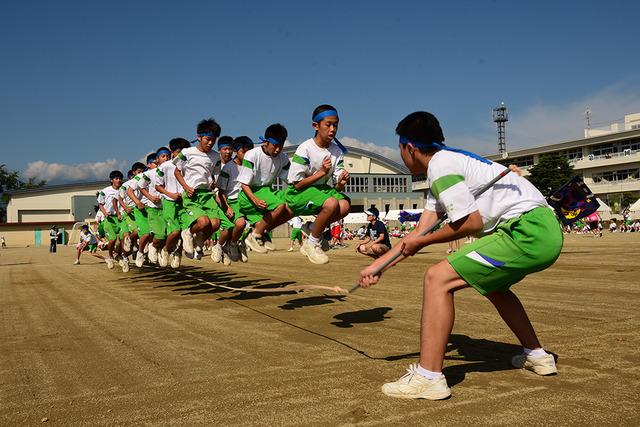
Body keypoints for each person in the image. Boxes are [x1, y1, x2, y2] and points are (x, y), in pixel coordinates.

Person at [358, 111, 563, 400]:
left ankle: (429, 376)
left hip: (526, 231)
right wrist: (380, 264)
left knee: (437, 278)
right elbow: (419, 232)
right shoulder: (445, 164)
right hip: (543, 230)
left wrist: (421, 242)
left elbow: (471, 223)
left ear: (409, 148)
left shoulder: (441, 166)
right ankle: (537, 355)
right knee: (494, 286)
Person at [286, 104, 351, 264]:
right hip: (300, 191)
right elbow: (296, 184)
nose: (332, 129)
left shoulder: (337, 151)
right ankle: (312, 244)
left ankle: (312, 228)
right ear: (315, 125)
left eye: (335, 125)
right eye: (328, 124)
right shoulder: (305, 148)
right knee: (331, 203)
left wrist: (341, 182)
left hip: (321, 190)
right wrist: (321, 173)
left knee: (344, 206)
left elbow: (337, 186)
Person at [238, 124, 293, 254]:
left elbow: (291, 180)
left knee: (292, 207)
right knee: (279, 205)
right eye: (275, 145)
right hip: (250, 193)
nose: (278, 150)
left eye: (281, 146)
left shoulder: (283, 158)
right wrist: (255, 200)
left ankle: (262, 231)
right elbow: (244, 184)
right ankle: (254, 235)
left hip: (267, 191)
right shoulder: (252, 155)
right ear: (266, 142)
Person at [174, 118, 222, 260]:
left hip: (207, 194)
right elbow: (176, 172)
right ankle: (187, 232)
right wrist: (186, 187)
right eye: (207, 139)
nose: (210, 143)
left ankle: (197, 240)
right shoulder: (187, 153)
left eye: (213, 140)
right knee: (203, 222)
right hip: (192, 194)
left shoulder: (215, 156)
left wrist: (213, 183)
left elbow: (213, 173)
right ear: (199, 137)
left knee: (215, 224)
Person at [217, 136, 254, 263]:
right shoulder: (227, 168)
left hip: (245, 200)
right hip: (231, 202)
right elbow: (220, 191)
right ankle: (224, 246)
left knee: (248, 225)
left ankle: (238, 244)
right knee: (236, 226)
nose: (247, 155)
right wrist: (226, 207)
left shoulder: (250, 166)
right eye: (244, 152)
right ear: (236, 151)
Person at [155, 137, 191, 269]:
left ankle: (178, 253)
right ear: (173, 152)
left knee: (186, 230)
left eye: (184, 151)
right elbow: (158, 186)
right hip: (169, 202)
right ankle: (166, 250)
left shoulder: (189, 165)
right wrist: (171, 194)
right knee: (174, 232)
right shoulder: (165, 166)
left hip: (184, 201)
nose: (182, 154)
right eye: (179, 151)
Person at [139, 147, 172, 265]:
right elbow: (141, 187)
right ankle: (153, 246)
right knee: (160, 234)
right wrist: (150, 197)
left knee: (171, 233)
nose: (166, 158)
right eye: (163, 156)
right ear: (157, 159)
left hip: (168, 207)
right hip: (154, 208)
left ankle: (163, 250)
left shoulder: (173, 171)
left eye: (168, 156)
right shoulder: (149, 174)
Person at [127, 153, 157, 267]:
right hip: (141, 209)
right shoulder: (141, 177)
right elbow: (129, 191)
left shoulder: (160, 174)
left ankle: (153, 250)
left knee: (157, 233)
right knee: (145, 234)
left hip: (155, 208)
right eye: (155, 162)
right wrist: (138, 203)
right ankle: (139, 252)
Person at [210, 135, 236, 265]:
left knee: (236, 227)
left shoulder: (235, 165)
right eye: (225, 149)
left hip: (232, 200)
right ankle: (218, 246)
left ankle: (225, 248)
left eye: (230, 149)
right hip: (217, 199)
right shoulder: (214, 164)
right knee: (228, 225)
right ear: (219, 150)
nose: (228, 152)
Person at [97, 170, 125, 269]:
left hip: (120, 218)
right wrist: (105, 213)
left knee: (123, 238)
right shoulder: (105, 191)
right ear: (111, 180)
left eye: (120, 178)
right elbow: (100, 204)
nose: (119, 180)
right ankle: (110, 256)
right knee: (112, 239)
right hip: (109, 219)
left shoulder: (123, 190)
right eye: (116, 178)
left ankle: (119, 255)